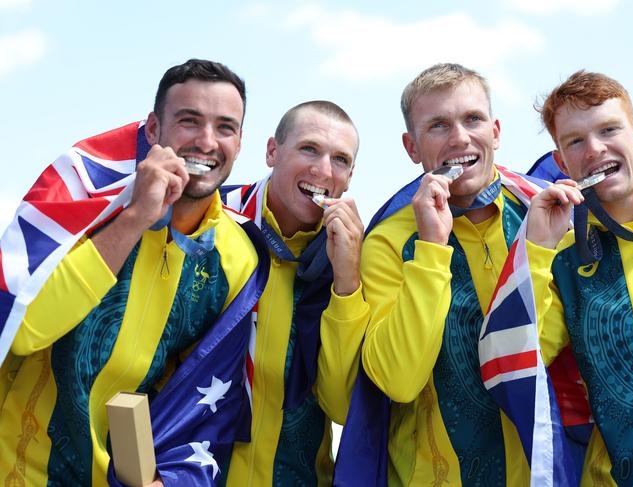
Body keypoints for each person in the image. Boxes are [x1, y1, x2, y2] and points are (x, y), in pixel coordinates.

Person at [0, 59, 262, 486]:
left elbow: (205, 401)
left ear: (240, 140)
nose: (207, 141)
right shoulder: (88, 204)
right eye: (189, 121)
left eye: (225, 127)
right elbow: (24, 327)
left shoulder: (239, 258)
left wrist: (174, 481)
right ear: (154, 130)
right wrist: (136, 217)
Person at [355, 63, 533, 485]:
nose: (460, 138)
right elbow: (398, 380)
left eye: (472, 119)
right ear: (411, 147)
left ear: (496, 130)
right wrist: (432, 249)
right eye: (438, 126)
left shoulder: (539, 214)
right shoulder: (385, 241)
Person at [219, 100, 369, 486]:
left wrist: (347, 279)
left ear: (350, 177)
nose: (322, 170)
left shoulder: (355, 254)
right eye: (309, 149)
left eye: (340, 159)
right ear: (272, 151)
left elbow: (340, 403)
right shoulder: (211, 222)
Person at [526, 70, 633, 485]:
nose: (595, 149)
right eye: (575, 140)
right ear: (562, 162)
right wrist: (537, 249)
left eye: (609, 129)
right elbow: (522, 362)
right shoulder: (562, 256)